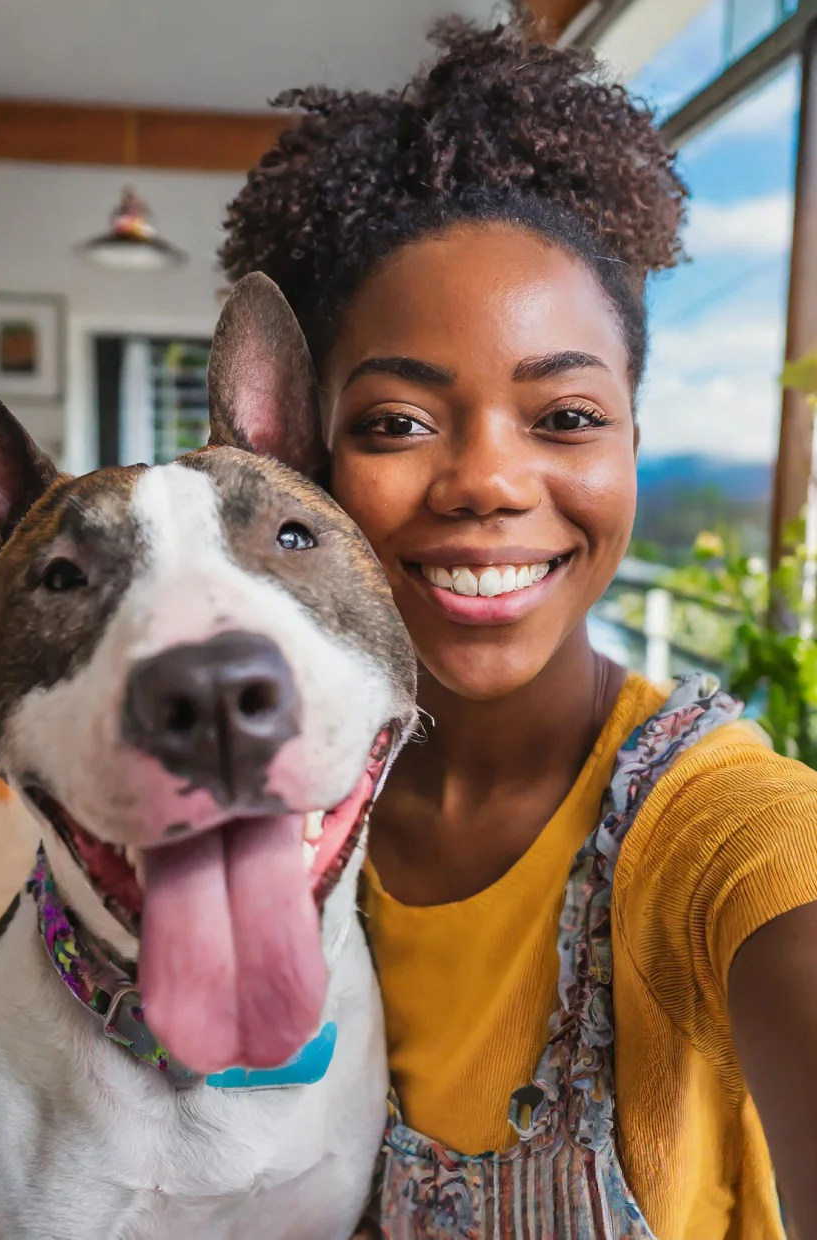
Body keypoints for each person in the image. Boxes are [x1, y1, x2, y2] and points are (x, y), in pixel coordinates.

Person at [221, 6, 817, 1236]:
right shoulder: (270, 808)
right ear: (312, 469)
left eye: (566, 418)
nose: (489, 481)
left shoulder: (714, 825)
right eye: (396, 421)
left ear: (634, 452)